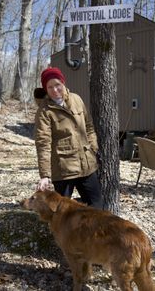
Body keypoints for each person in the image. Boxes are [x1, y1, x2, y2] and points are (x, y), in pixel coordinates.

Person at [34, 67, 102, 209]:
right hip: (63, 170)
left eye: (57, 85)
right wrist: (45, 175)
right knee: (60, 213)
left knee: (96, 208)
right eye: (50, 87)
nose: (55, 90)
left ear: (63, 83)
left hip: (86, 166)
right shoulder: (44, 111)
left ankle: (91, 232)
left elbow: (89, 126)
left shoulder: (77, 99)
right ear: (45, 89)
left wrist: (93, 148)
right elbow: (43, 143)